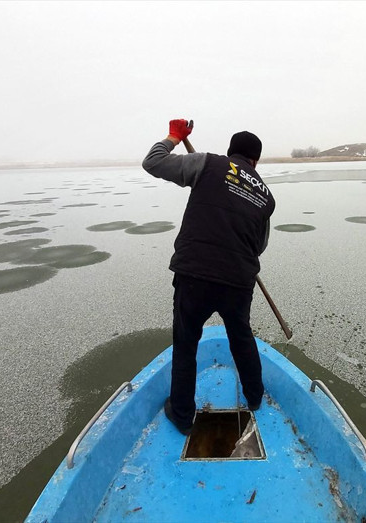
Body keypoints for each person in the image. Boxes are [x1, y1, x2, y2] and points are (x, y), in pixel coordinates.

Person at [142, 119, 276, 435]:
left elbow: (153, 162)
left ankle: (183, 415)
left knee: (187, 344)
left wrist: (174, 137)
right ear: (255, 160)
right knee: (241, 337)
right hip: (239, 280)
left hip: (196, 275)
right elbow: (260, 245)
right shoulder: (265, 196)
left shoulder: (208, 163)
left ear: (230, 151)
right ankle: (255, 398)